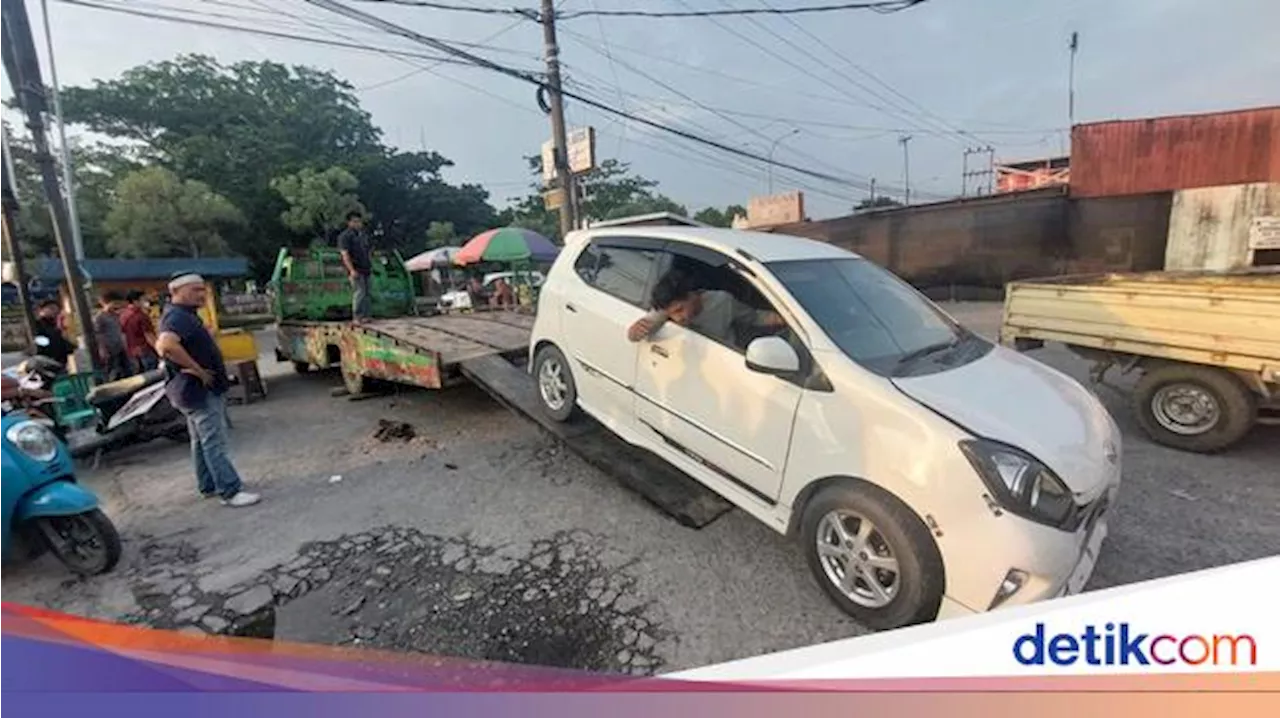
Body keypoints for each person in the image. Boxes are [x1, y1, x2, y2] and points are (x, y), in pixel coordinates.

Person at [156, 272, 261, 508]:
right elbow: (165, 345)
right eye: (194, 290)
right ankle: (229, 490)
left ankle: (209, 485)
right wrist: (197, 369)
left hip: (192, 390)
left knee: (201, 441)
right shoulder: (177, 317)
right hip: (198, 390)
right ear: (176, 292)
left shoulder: (184, 315)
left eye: (202, 289)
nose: (201, 294)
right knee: (215, 441)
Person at [627, 268, 786, 346]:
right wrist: (634, 332)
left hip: (723, 357)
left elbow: (754, 317)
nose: (678, 318)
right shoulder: (664, 306)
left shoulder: (723, 301)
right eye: (672, 315)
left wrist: (782, 318)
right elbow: (639, 332)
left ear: (692, 295)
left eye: (680, 309)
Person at [336, 210, 372, 323]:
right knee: (359, 292)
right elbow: (345, 254)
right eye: (355, 221)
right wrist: (351, 270)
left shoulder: (362, 235)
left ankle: (366, 315)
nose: (358, 224)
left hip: (366, 268)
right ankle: (357, 316)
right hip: (355, 269)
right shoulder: (345, 236)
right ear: (349, 223)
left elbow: (367, 250)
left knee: (367, 293)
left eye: (359, 221)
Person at [94, 291, 134, 381]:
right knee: (112, 371)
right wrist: (102, 349)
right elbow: (98, 334)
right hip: (109, 349)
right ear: (105, 304)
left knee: (127, 370)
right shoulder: (100, 317)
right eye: (114, 304)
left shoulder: (115, 315)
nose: (117, 306)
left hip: (120, 347)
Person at [120, 289, 159, 372]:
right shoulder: (141, 316)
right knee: (152, 377)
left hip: (132, 352)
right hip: (145, 350)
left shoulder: (123, 315)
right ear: (135, 301)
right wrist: (159, 349)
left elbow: (122, 334)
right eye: (143, 299)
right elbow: (149, 336)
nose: (146, 302)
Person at [32, 300, 75, 371]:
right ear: (41, 311)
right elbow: (41, 341)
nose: (55, 312)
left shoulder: (54, 324)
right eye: (51, 309)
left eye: (56, 309)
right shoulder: (38, 325)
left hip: (58, 360)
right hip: (47, 359)